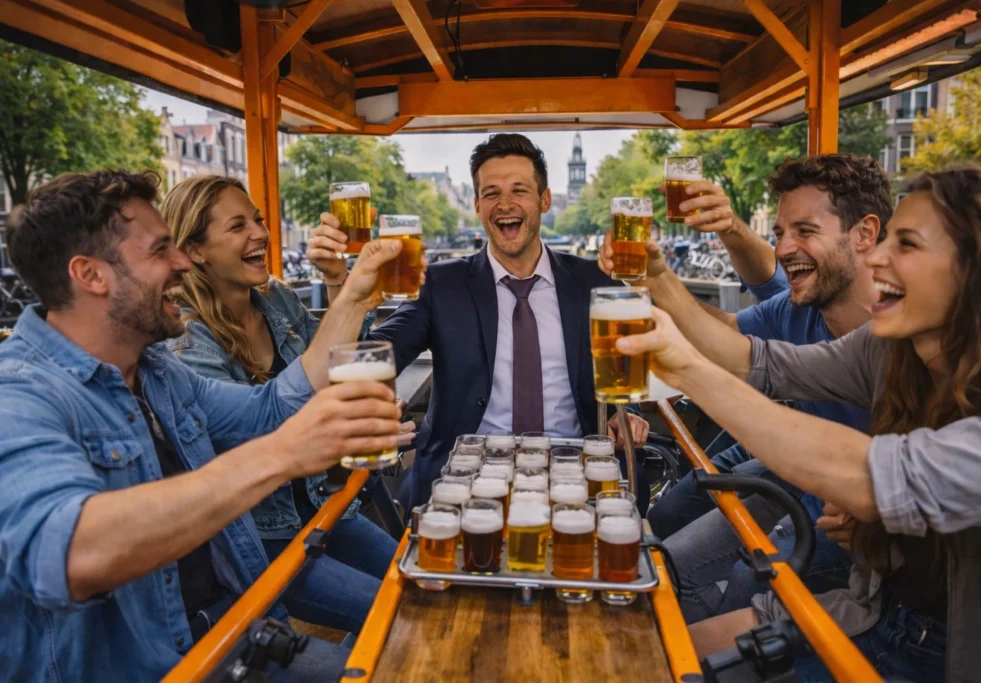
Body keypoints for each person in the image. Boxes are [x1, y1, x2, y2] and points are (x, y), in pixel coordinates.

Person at [618, 166, 981, 682]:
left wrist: (687, 371)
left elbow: (867, 475)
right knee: (645, 656)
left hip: (950, 654)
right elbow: (759, 364)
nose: (875, 259)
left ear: (978, 267)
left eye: (907, 244)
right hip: (874, 608)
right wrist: (658, 279)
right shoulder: (886, 348)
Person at [0, 170, 403, 682]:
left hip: (234, 635)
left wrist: (352, 294)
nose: (183, 262)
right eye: (160, 250)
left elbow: (270, 409)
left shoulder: (156, 371)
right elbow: (73, 553)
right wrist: (283, 453)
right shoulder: (18, 394)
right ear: (92, 276)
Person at [602, 155, 891, 620]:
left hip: (861, 531)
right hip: (809, 484)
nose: (783, 248)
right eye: (778, 234)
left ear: (865, 233)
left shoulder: (903, 340)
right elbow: (741, 352)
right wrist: (655, 278)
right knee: (671, 542)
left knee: (741, 576)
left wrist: (881, 510)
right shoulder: (809, 317)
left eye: (805, 231)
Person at [306, 134, 650, 509]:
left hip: (572, 472)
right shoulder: (440, 284)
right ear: (476, 206)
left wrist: (625, 416)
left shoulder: (594, 280)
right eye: (491, 193)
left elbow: (620, 369)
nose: (505, 203)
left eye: (519, 190)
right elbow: (358, 359)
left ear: (545, 200)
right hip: (463, 477)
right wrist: (340, 282)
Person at [162, 175, 406, 635]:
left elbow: (335, 365)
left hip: (323, 509)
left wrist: (338, 280)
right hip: (261, 539)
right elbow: (262, 419)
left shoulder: (274, 298)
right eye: (238, 226)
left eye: (257, 219)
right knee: (392, 614)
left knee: (415, 582)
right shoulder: (185, 341)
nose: (260, 232)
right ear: (195, 250)